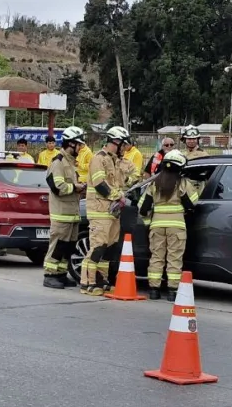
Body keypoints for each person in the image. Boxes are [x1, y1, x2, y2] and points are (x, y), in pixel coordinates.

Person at [80, 126, 135, 296]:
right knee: (97, 246)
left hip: (113, 211)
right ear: (116, 142)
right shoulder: (99, 159)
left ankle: (101, 280)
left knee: (109, 248)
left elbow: (121, 181)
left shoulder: (114, 160)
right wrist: (117, 196)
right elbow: (100, 185)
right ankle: (87, 283)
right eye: (123, 144)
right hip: (100, 210)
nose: (125, 148)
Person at [140, 149, 199, 301]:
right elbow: (193, 204)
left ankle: (154, 290)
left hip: (157, 226)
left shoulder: (154, 184)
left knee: (157, 257)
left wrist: (149, 224)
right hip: (176, 227)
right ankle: (172, 292)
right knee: (174, 258)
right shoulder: (183, 183)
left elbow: (143, 208)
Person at [43, 126, 87, 289]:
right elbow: (57, 186)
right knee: (57, 245)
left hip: (72, 213)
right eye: (79, 145)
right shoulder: (58, 162)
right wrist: (74, 187)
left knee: (67, 247)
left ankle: (60, 274)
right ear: (71, 144)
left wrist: (79, 187)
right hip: (61, 213)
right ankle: (50, 275)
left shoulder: (70, 162)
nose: (80, 148)